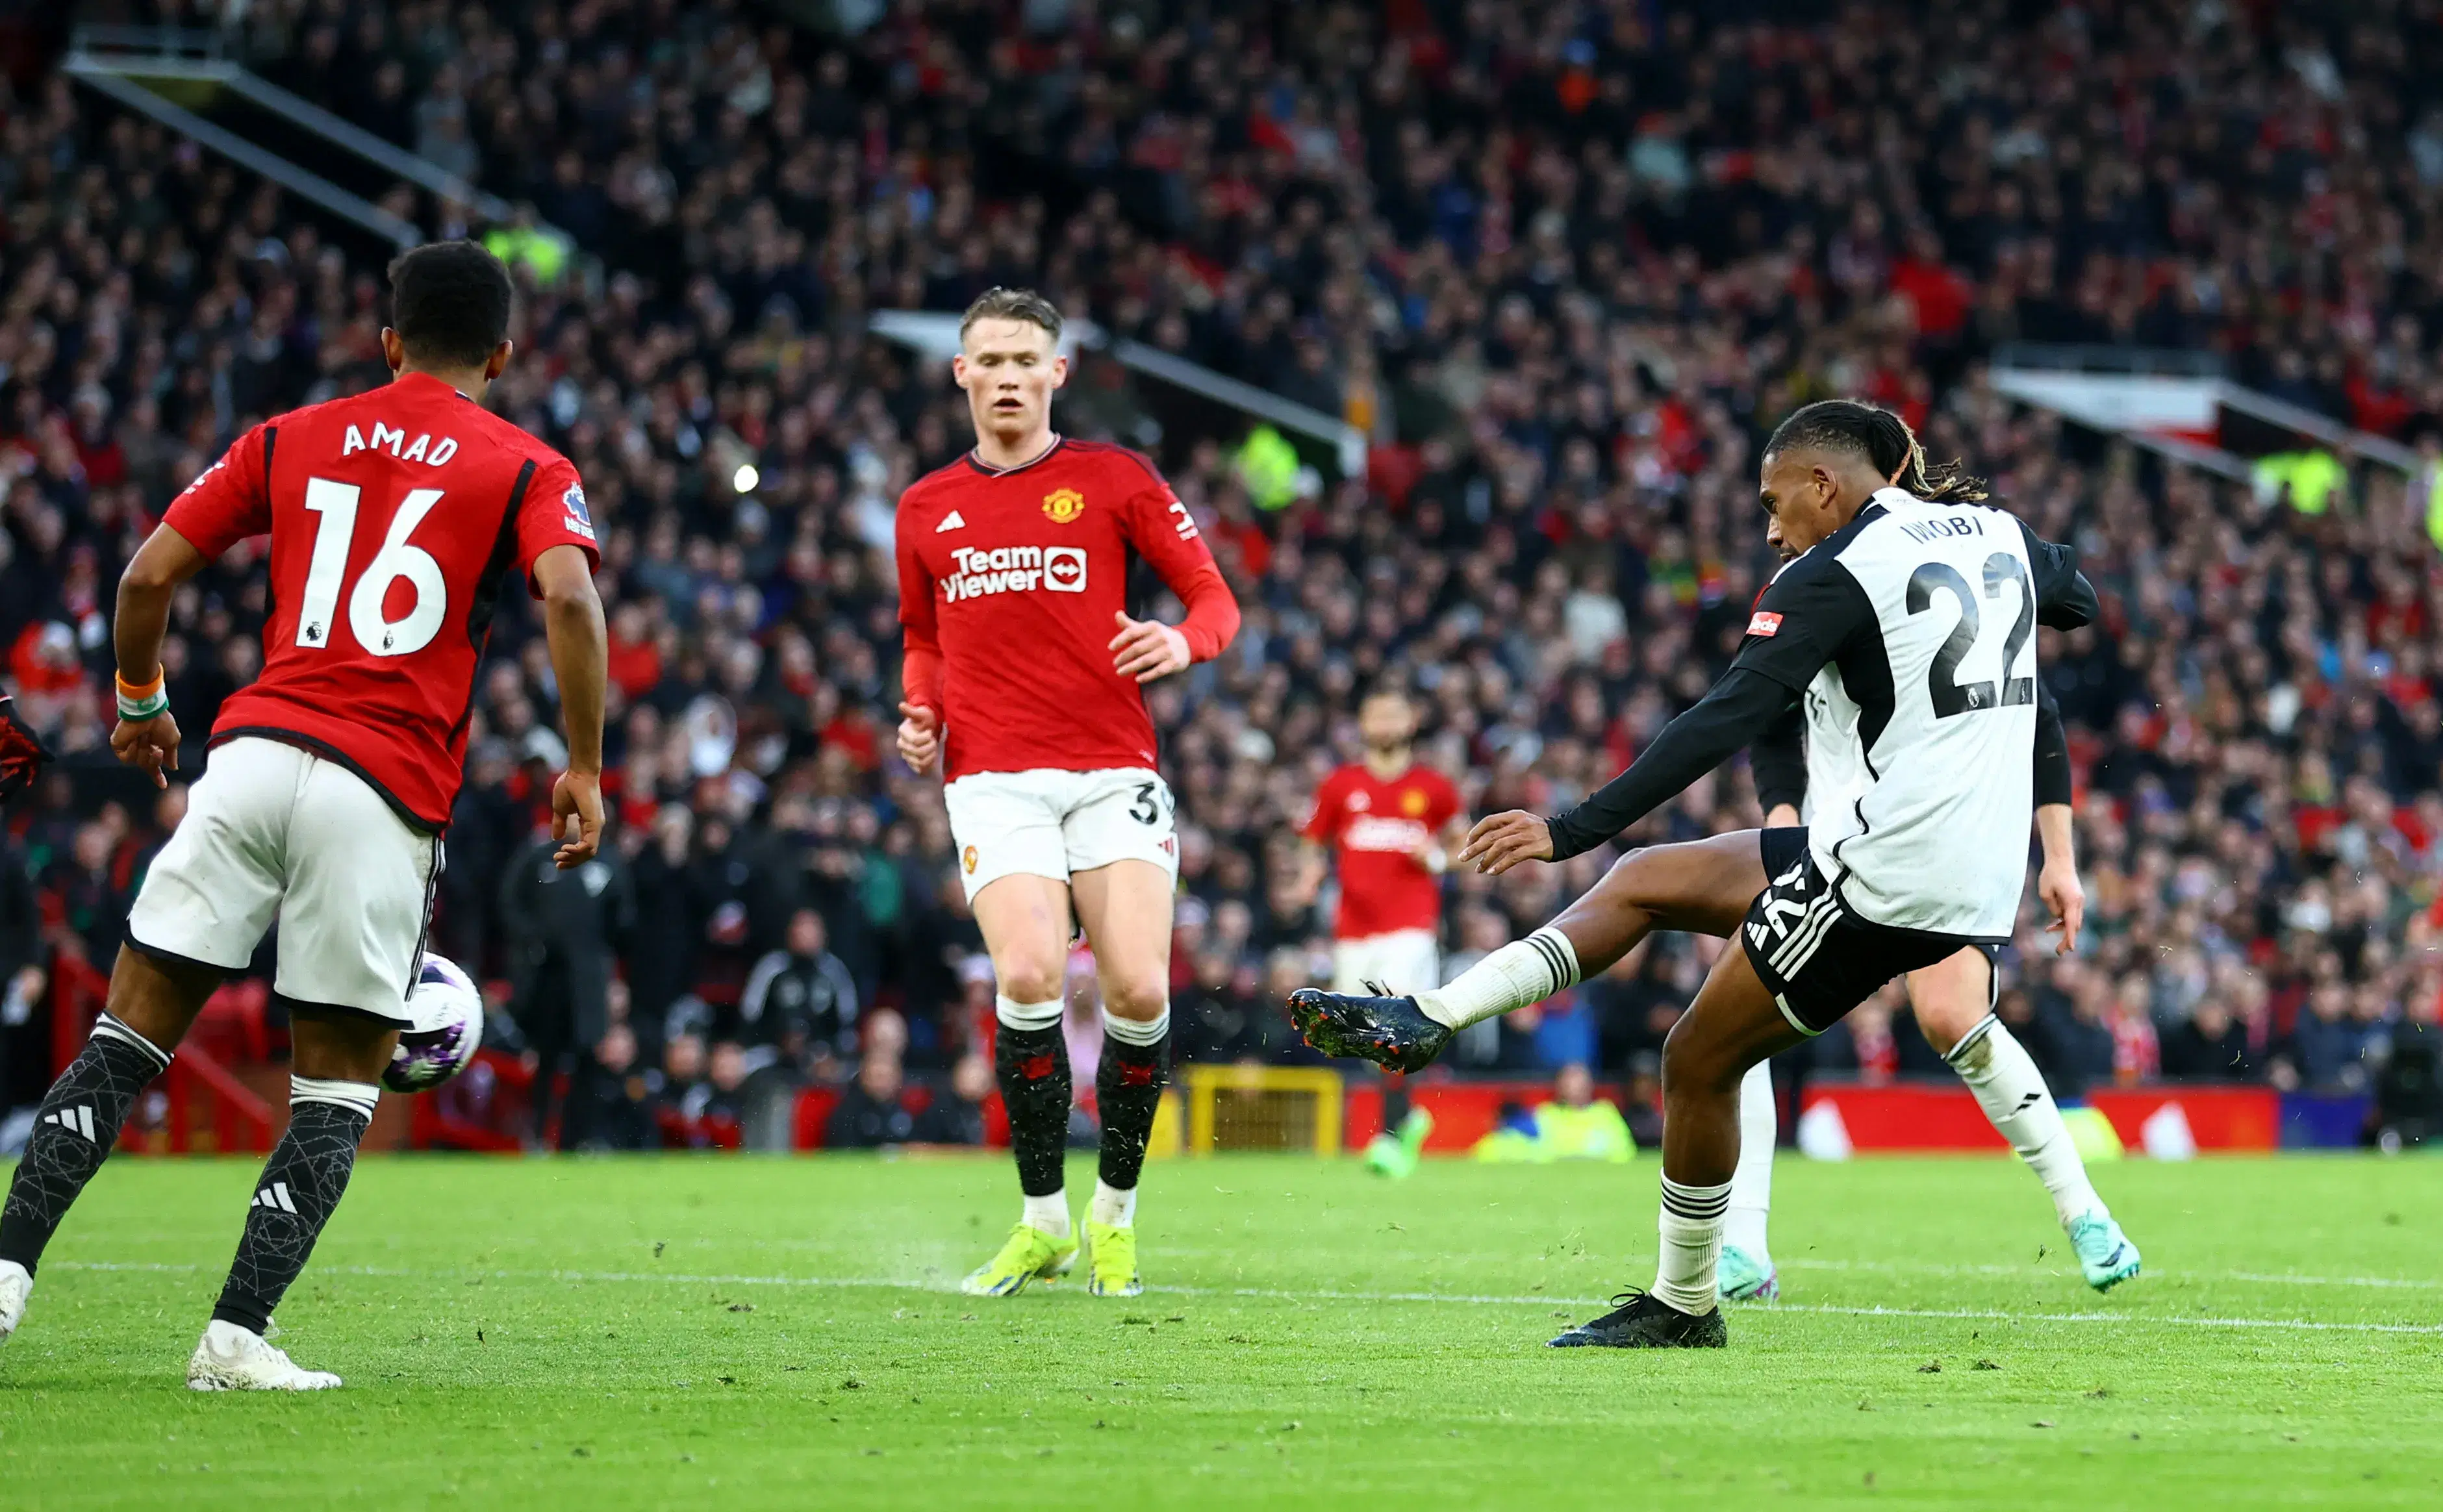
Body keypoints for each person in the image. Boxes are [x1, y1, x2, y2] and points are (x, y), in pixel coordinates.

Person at [1288, 399, 2097, 1348]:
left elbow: (1721, 718)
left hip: (1881, 870)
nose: (1768, 526)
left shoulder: (1831, 571)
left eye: (1774, 500)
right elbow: (2075, 598)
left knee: (1698, 1060)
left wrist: (1570, 826)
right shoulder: (1992, 530)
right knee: (1645, 880)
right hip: (1970, 868)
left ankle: (1683, 1304)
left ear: (1824, 486)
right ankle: (1431, 1014)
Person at [0, 241, 607, 1389]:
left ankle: (4, 1274)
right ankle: (233, 1337)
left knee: (125, 1039)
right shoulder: (528, 463)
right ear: (503, 354)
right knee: (332, 1088)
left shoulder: (292, 434)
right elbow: (570, 595)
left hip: (252, 756)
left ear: (387, 342)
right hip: (381, 792)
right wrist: (583, 764)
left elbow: (143, 579)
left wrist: (141, 705)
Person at [894, 288, 1239, 1300]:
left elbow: (1214, 597)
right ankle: (1043, 1219)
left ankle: (1114, 1215)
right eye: (988, 361)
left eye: (1024, 361)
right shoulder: (924, 507)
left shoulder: (1112, 479)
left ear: (1057, 373)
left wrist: (1180, 641)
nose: (1006, 377)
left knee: (1137, 990)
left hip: (1112, 770)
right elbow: (924, 638)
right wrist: (921, 711)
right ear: (961, 374)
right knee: (1034, 975)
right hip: (992, 778)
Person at [1713, 548, 2140, 1302]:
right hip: (1839, 847)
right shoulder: (1806, 587)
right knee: (1736, 1019)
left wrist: (2059, 856)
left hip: (1946, 841)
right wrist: (1784, 821)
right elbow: (1768, 721)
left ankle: (2086, 1215)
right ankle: (1744, 1244)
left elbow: (2036, 709)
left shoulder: (1941, 575)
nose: (1772, 532)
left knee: (1950, 1017)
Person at [1292, 686, 1467, 996]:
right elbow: (1313, 841)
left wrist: (1437, 858)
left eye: (1394, 717)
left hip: (1411, 929)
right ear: (1362, 724)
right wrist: (1309, 873)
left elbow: (1467, 845)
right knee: (1352, 1031)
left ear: (1411, 722)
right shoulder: (1340, 784)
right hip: (1352, 930)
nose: (1386, 725)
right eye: (1377, 717)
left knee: (1395, 1015)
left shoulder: (1434, 786)